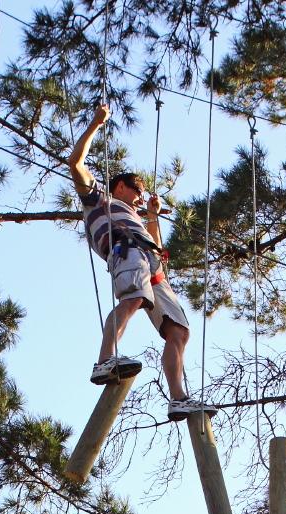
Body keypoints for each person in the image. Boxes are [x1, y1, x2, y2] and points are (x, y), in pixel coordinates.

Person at [67, 103, 213, 421]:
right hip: (126, 252)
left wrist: (151, 216)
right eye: (138, 190)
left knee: (179, 332)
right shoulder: (100, 198)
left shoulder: (135, 214)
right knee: (133, 299)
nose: (140, 196)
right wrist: (95, 123)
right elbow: (75, 163)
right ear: (121, 185)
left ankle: (179, 398)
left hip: (152, 264)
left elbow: (156, 247)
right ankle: (105, 360)